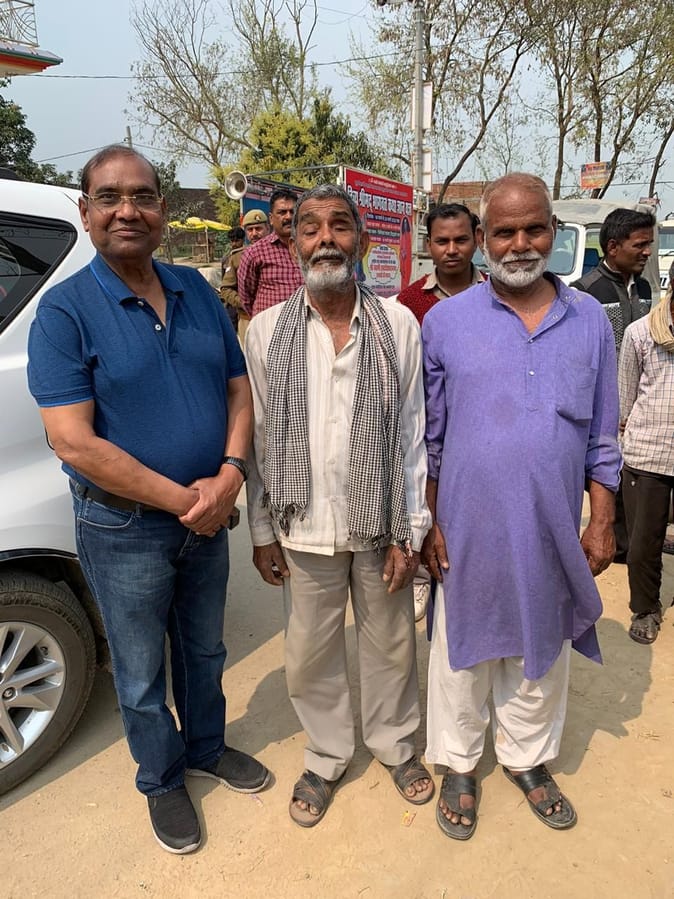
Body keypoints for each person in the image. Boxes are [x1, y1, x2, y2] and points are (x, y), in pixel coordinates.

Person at [26, 146, 270, 855]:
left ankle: (206, 747)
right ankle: (161, 778)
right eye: (109, 197)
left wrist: (230, 474)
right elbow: (73, 441)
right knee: (138, 671)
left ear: (164, 210)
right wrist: (187, 499)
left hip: (208, 514)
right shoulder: (64, 311)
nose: (127, 210)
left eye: (142, 195)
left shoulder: (195, 289)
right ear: (86, 212)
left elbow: (238, 388)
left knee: (205, 647)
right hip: (124, 524)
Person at [422, 173, 620, 840]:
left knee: (542, 644)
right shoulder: (446, 322)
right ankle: (458, 763)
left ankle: (527, 757)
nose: (520, 243)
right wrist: (429, 521)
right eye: (504, 232)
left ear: (554, 232)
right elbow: (429, 436)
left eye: (534, 228)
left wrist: (602, 519)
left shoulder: (589, 321)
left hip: (551, 526)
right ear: (483, 239)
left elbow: (602, 434)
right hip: (466, 525)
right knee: (462, 651)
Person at [245, 183, 434, 828]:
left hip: (381, 523)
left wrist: (412, 529)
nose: (325, 238)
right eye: (311, 228)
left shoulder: (398, 324)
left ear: (362, 239)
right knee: (309, 653)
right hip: (304, 525)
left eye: (339, 226)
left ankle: (395, 744)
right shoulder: (266, 330)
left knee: (391, 645)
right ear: (293, 242)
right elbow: (261, 435)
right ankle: (327, 754)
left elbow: (412, 432)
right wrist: (262, 529)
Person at [397, 202, 486, 621]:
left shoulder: (496, 294)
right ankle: (421, 578)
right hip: (426, 426)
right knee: (425, 507)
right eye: (442, 241)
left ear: (477, 240)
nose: (452, 250)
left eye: (461, 240)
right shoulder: (408, 302)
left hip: (478, 426)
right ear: (428, 244)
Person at [572, 207, 656, 561]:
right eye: (640, 245)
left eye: (649, 244)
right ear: (612, 247)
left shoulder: (645, 288)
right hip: (603, 401)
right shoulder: (584, 292)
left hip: (641, 401)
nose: (647, 252)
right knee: (604, 469)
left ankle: (627, 544)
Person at [618, 259, 674, 644]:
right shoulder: (640, 333)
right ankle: (645, 608)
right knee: (643, 544)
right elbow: (625, 398)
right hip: (648, 454)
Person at [237, 188, 303, 319]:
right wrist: (262, 321)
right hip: (270, 326)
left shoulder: (311, 247)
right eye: (282, 212)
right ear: (271, 219)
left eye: (293, 212)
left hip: (307, 325)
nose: (288, 217)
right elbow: (246, 297)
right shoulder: (255, 253)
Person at [230, 209, 271, 342]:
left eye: (258, 229)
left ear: (268, 228)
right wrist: (242, 302)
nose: (254, 234)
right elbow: (226, 289)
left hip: (275, 317)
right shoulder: (237, 257)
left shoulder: (282, 253)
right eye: (250, 230)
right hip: (247, 319)